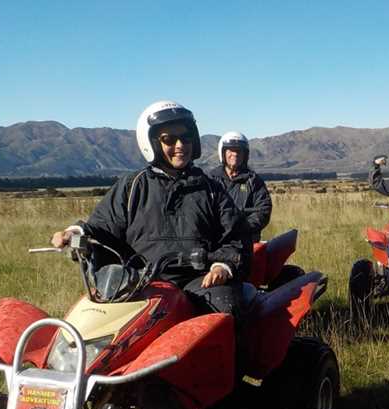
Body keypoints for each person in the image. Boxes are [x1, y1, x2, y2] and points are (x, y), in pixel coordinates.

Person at [51, 100, 249, 319]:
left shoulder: (211, 189)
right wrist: (75, 234)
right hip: (138, 281)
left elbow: (236, 237)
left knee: (225, 309)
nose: (180, 145)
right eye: (169, 139)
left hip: (198, 281)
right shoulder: (132, 186)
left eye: (185, 137)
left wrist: (222, 266)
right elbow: (102, 227)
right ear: (152, 142)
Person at [209, 131, 273, 243]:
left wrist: (243, 227)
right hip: (215, 241)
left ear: (245, 155)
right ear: (223, 153)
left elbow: (264, 209)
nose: (235, 154)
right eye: (230, 150)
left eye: (238, 151)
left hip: (245, 243)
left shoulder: (253, 181)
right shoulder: (211, 179)